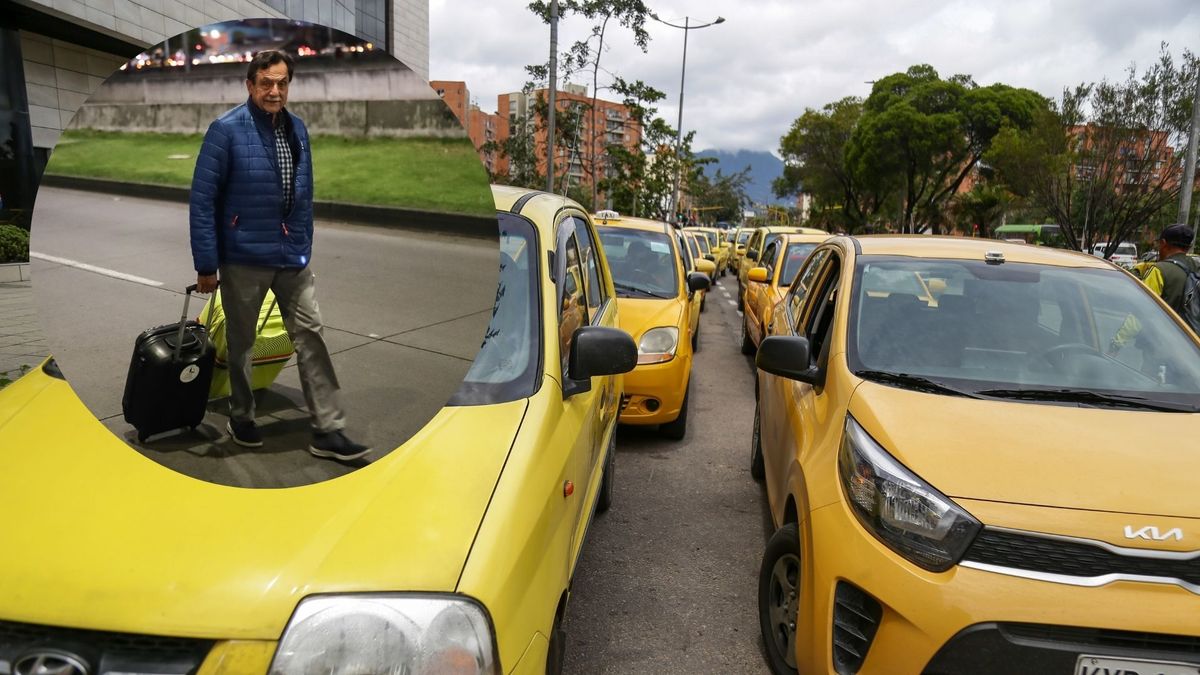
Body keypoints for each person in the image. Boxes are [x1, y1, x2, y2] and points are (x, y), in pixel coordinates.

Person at [189, 50, 370, 462]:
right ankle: (242, 415)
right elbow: (203, 201)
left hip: (291, 258)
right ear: (250, 85)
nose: (275, 91)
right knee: (241, 342)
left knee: (312, 334)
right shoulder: (225, 130)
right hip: (243, 256)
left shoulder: (297, 129)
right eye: (267, 83)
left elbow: (303, 194)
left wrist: (304, 242)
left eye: (282, 83)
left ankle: (328, 428)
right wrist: (206, 265)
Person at [1108, 224, 1197, 356]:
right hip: (1191, 350)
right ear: (1188, 247)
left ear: (1163, 243)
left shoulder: (1159, 271)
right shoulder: (1196, 267)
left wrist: (1117, 343)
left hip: (1160, 349)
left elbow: (1140, 313)